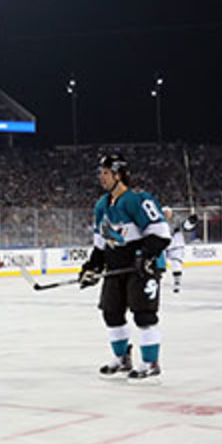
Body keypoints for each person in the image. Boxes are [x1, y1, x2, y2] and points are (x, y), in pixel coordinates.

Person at [78, 153, 171, 379]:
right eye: (100, 173)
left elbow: (161, 235)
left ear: (119, 174)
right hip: (116, 268)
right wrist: (91, 267)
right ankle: (122, 359)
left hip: (142, 268)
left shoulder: (138, 199)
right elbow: (101, 245)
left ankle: (150, 363)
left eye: (106, 173)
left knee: (144, 316)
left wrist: (144, 256)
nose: (102, 177)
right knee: (111, 313)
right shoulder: (102, 205)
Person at [161, 206, 198, 293]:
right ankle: (158, 282)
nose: (167, 214)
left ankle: (177, 282)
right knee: (160, 266)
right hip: (162, 246)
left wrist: (191, 221)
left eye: (168, 212)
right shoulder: (159, 222)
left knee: (176, 264)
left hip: (176, 246)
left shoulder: (177, 220)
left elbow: (186, 226)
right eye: (165, 213)